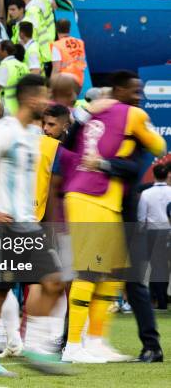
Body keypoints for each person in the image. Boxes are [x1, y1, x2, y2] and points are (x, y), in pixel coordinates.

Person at [61, 70, 167, 364]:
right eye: (135, 91)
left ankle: (94, 341)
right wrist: (140, 134)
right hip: (93, 196)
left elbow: (70, 147)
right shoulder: (130, 114)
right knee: (91, 271)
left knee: (114, 273)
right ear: (118, 90)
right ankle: (72, 345)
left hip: (105, 200)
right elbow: (159, 146)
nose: (139, 97)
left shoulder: (94, 116)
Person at [0, 75, 67, 377]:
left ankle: (36, 349)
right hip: (1, 226)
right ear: (29, 99)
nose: (46, 101)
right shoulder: (5, 130)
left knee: (53, 280)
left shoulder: (32, 134)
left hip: (27, 225)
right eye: (42, 96)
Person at [138, 164, 170, 311]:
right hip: (168, 231)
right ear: (167, 175)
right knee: (164, 267)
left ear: (154, 175)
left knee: (156, 267)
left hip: (152, 232)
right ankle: (160, 299)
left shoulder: (146, 194)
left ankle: (157, 300)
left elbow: (141, 218)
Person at [0, 40, 28, 115]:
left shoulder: (5, 65)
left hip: (7, 108)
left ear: (4, 51)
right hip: (21, 108)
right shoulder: (23, 66)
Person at [51, 19, 86, 87]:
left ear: (56, 29)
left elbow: (56, 70)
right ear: (69, 29)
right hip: (79, 81)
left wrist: (51, 88)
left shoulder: (57, 45)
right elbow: (82, 62)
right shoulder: (80, 42)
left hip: (64, 82)